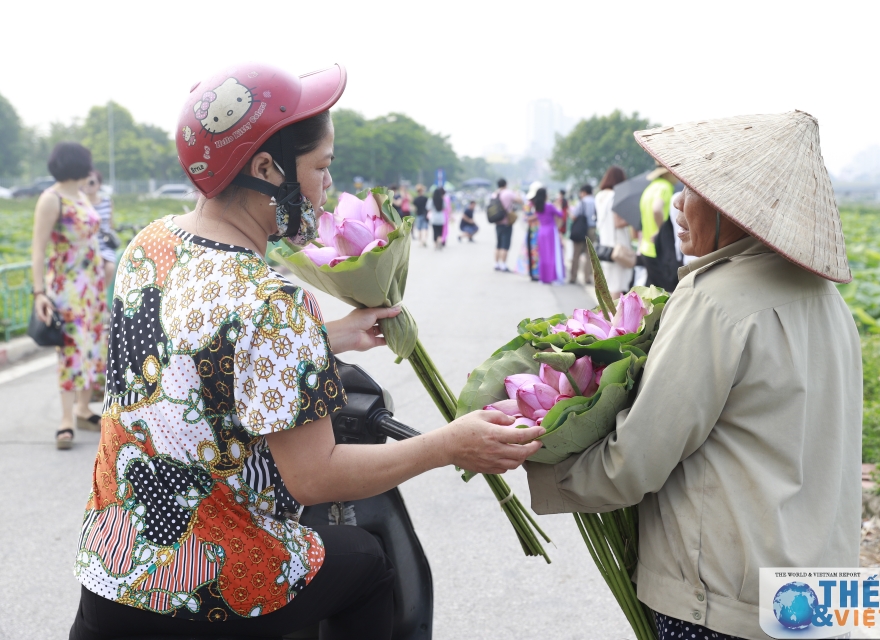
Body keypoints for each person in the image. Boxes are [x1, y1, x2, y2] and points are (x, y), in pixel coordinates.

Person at [69, 63, 545, 640]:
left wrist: (334, 334)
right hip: (207, 588)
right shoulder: (273, 300)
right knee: (369, 563)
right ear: (268, 169)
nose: (326, 187)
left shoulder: (152, 245)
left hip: (111, 572)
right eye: (322, 167)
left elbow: (193, 356)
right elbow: (314, 478)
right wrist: (447, 446)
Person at [525, 111, 861, 640]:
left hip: (725, 602)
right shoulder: (827, 298)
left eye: (693, 189)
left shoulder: (714, 300)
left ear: (742, 208)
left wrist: (541, 465)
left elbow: (638, 459)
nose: (677, 204)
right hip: (819, 600)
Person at [30, 142, 108, 450]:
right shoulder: (51, 199)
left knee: (91, 346)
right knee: (70, 349)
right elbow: (38, 249)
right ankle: (66, 419)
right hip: (68, 287)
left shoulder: (81, 195)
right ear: (80, 165)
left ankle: (83, 409)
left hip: (92, 285)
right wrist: (40, 292)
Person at [594, 166, 633, 297]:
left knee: (609, 283)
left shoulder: (599, 196)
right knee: (618, 284)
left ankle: (607, 314)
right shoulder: (615, 195)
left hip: (605, 246)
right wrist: (632, 220)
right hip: (618, 245)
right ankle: (614, 315)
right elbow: (618, 222)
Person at [637, 165, 677, 285]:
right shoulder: (665, 187)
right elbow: (656, 209)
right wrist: (661, 233)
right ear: (667, 173)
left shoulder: (649, 188)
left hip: (646, 247)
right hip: (658, 248)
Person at [81, 170, 118, 293]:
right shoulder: (80, 203)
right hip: (87, 245)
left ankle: (101, 294)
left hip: (104, 245)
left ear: (99, 185)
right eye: (85, 182)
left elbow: (110, 224)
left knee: (110, 267)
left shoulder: (107, 202)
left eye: (91, 182)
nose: (88, 185)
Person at [529, 187, 565, 285]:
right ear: (545, 195)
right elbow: (561, 214)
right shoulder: (549, 206)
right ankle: (553, 277)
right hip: (550, 232)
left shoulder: (537, 206)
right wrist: (559, 206)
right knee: (553, 255)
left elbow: (535, 217)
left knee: (543, 255)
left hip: (542, 232)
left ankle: (543, 278)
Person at [567, 184, 595, 284]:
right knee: (589, 255)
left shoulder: (582, 202)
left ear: (584, 192)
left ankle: (573, 277)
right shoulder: (595, 201)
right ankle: (587, 278)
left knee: (576, 254)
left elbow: (574, 216)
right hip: (592, 229)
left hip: (580, 229)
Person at [492, 178, 520, 272]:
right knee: (505, 245)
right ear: (506, 184)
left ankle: (496, 264)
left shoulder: (494, 194)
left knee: (498, 244)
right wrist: (516, 192)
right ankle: (503, 265)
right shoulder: (508, 193)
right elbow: (520, 200)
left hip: (497, 221)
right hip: (506, 222)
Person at [523, 181, 543, 281]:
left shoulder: (542, 205)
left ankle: (539, 273)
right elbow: (525, 218)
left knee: (538, 253)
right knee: (533, 253)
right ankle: (533, 273)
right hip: (532, 232)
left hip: (540, 231)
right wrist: (536, 216)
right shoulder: (529, 205)